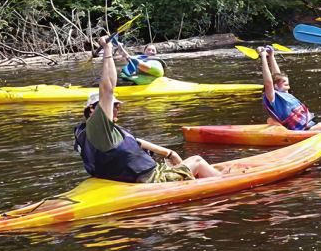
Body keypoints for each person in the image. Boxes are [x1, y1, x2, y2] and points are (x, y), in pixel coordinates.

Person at [76, 36, 220, 183]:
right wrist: (108, 50)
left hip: (120, 179)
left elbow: (130, 140)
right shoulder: (99, 124)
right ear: (93, 109)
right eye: (114, 106)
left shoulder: (88, 132)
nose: (117, 110)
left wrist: (168, 152)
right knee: (197, 160)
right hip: (152, 180)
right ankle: (223, 182)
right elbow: (107, 88)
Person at [260, 46, 321, 134]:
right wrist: (263, 57)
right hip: (307, 130)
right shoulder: (273, 98)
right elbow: (268, 82)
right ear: (275, 86)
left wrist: (271, 55)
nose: (287, 85)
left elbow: (277, 76)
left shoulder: (284, 93)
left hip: (312, 125)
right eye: (284, 83)